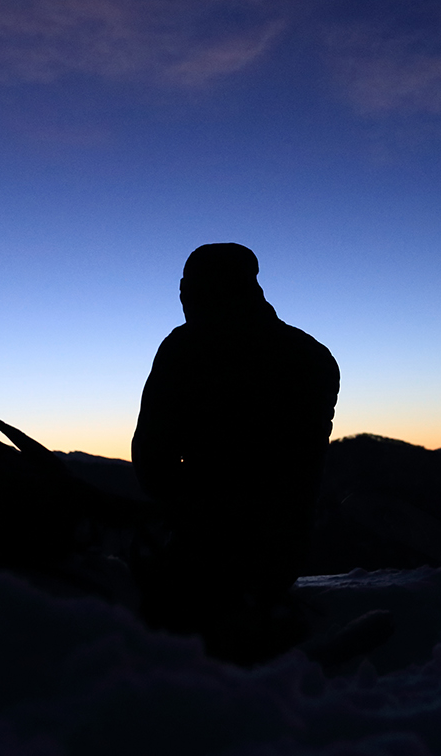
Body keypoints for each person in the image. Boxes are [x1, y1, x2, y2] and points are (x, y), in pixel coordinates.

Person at [131, 243, 340, 661]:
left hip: (203, 555)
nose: (183, 298)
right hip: (284, 552)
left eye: (187, 288)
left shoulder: (185, 349)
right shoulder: (312, 356)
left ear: (198, 289)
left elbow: (152, 459)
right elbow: (302, 469)